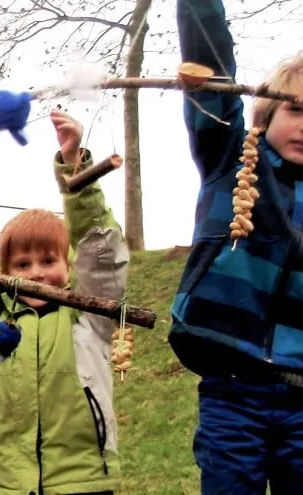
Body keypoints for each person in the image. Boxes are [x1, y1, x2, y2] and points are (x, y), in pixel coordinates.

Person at [0, 110, 127, 495]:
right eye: (22, 265)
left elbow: (101, 250)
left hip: (82, 480)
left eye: (48, 261)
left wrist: (76, 173)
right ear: (4, 273)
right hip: (5, 481)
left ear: (69, 266)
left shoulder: (91, 317)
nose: (37, 274)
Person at [168, 1, 303, 493]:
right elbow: (213, 78)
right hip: (232, 387)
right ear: (265, 111)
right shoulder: (232, 157)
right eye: (296, 109)